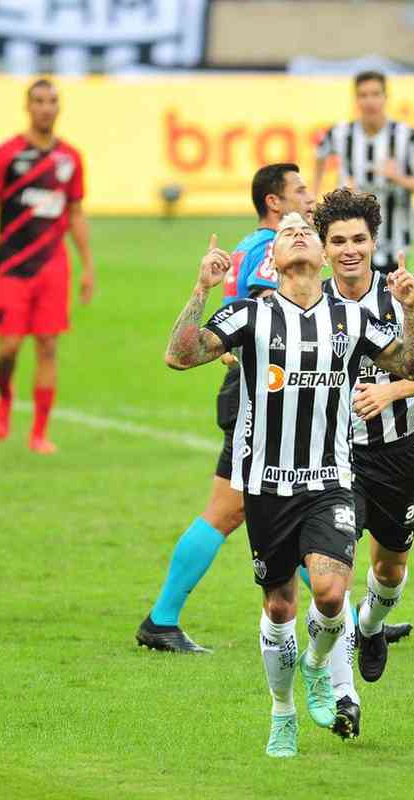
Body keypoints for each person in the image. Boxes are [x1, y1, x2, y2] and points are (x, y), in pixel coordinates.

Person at [164, 212, 414, 757]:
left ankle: (315, 665)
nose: (298, 233)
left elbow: (411, 367)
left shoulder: (351, 320)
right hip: (265, 485)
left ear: (325, 255)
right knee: (282, 608)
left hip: (330, 480)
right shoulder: (249, 314)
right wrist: (200, 289)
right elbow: (180, 355)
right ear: (275, 259)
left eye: (306, 230)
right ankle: (282, 708)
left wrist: (410, 309)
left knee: (331, 595)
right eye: (287, 232)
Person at [135, 163, 314, 654]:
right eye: (301, 190)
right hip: (259, 392)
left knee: (293, 503)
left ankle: (350, 615)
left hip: (266, 388)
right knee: (231, 509)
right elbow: (265, 310)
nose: (310, 196)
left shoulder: (254, 245)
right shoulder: (269, 249)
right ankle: (161, 618)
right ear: (274, 202)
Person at [317, 188, 414, 739]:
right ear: (326, 248)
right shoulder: (313, 302)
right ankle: (343, 695)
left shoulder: (402, 294)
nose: (349, 250)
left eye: (358, 239)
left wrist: (393, 391)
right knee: (332, 577)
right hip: (332, 460)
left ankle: (372, 626)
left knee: (390, 569)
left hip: (399, 452)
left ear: (374, 242)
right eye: (338, 241)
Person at [0, 78, 96, 453]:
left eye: (52, 101)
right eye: (39, 101)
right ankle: (5, 397)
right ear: (28, 106)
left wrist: (87, 266)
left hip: (53, 266)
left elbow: (75, 213)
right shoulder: (5, 155)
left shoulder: (70, 158)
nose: (45, 107)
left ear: (60, 107)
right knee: (8, 348)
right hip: (13, 265)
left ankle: (39, 432)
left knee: (48, 347)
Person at [312, 71, 414, 271]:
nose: (369, 101)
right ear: (356, 99)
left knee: (388, 299)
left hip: (394, 240)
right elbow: (319, 153)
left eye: (375, 94)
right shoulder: (340, 133)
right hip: (348, 239)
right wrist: (314, 193)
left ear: (385, 97)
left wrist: (399, 178)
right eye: (363, 95)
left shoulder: (407, 136)